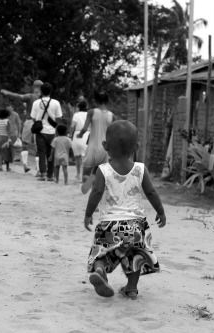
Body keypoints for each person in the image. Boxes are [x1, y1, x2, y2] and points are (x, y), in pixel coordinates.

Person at [84, 120, 166, 300]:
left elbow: (96, 192)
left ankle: (100, 270)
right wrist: (160, 211)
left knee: (102, 252)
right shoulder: (140, 169)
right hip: (136, 225)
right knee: (135, 256)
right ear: (136, 147)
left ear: (105, 146)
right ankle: (131, 288)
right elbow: (151, 192)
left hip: (109, 225)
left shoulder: (103, 170)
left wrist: (88, 214)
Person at [77, 90, 116, 193]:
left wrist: (80, 134)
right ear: (107, 101)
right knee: (102, 173)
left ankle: (93, 183)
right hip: (106, 149)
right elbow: (114, 133)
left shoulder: (91, 112)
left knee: (85, 174)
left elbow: (85, 129)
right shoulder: (112, 115)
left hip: (93, 147)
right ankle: (98, 188)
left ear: (96, 100)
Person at [0, 80, 43, 173]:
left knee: (24, 144)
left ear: (33, 87)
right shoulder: (44, 99)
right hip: (40, 123)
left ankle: (25, 165)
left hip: (30, 121)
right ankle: (39, 169)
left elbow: (19, 96)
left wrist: (8, 93)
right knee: (37, 145)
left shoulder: (30, 96)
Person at [30, 82, 63, 181]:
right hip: (52, 132)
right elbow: (59, 118)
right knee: (51, 153)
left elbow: (33, 118)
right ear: (50, 91)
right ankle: (50, 175)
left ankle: (43, 174)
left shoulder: (36, 103)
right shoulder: (56, 103)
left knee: (41, 153)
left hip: (40, 131)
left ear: (41, 91)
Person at [70, 100, 89, 180]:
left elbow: (72, 126)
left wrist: (70, 134)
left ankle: (78, 174)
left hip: (77, 135)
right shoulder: (89, 114)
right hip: (87, 134)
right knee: (86, 157)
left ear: (79, 107)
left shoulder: (76, 115)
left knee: (78, 156)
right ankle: (85, 175)